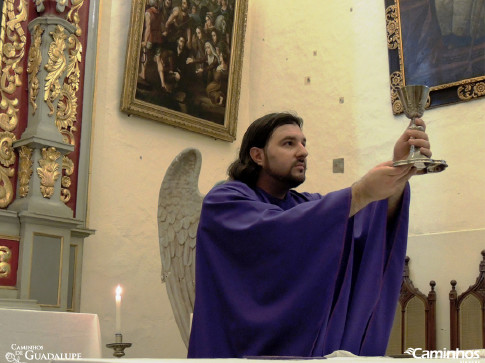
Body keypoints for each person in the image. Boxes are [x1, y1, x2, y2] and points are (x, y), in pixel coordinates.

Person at [187, 112, 431, 358]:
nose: (303, 152)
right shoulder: (224, 201)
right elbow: (277, 231)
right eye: (289, 143)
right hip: (236, 352)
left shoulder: (304, 204)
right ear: (257, 155)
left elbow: (366, 234)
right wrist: (359, 194)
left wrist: (400, 171)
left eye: (303, 143)